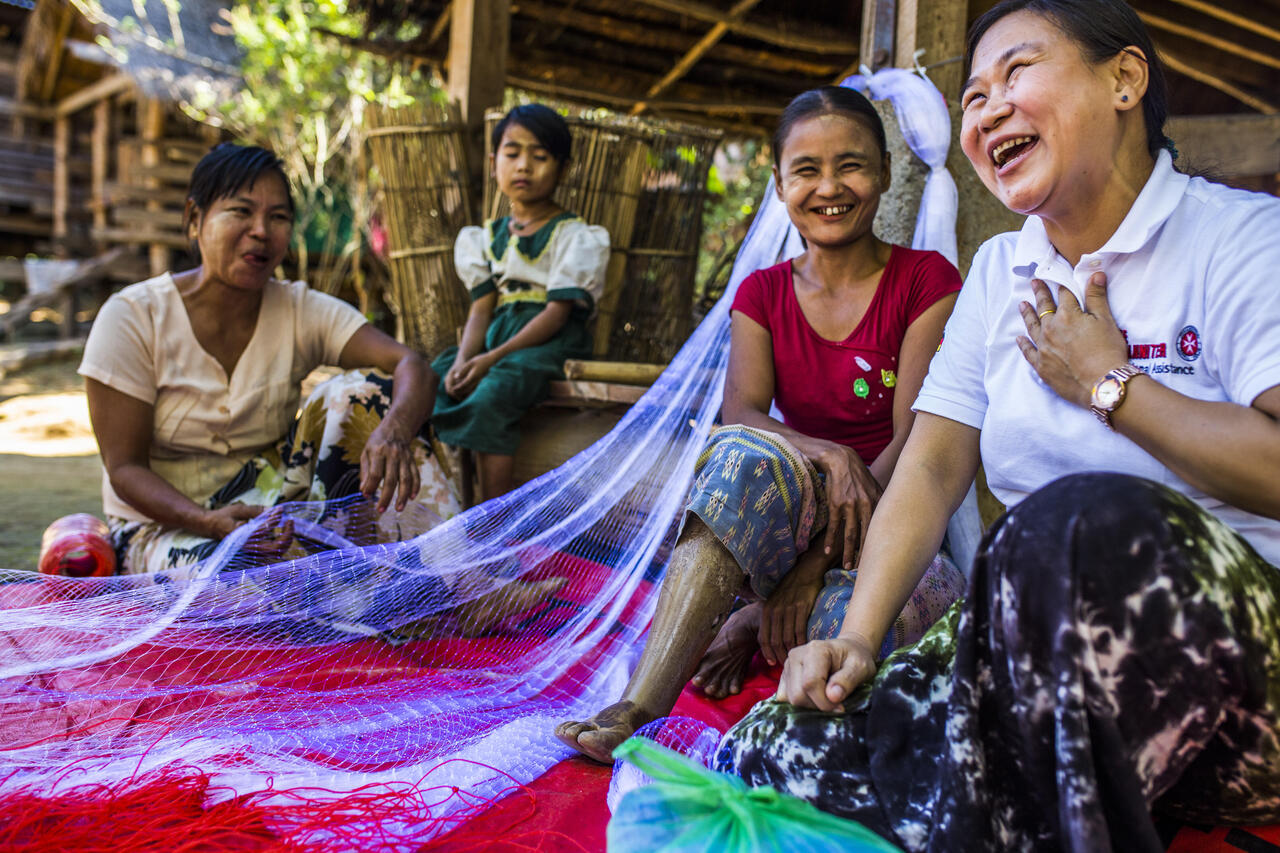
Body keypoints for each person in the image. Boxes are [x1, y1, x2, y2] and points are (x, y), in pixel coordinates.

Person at [717, 2, 1280, 850]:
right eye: (974, 94)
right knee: (770, 749)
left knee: (1066, 523)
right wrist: (858, 638)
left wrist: (1109, 383)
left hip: (1239, 684)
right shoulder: (999, 269)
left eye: (1018, 73)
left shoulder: (1241, 239)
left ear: (1125, 79)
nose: (986, 110)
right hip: (1038, 658)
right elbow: (933, 467)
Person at [556, 86, 967, 764]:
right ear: (779, 183)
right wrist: (832, 456)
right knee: (743, 452)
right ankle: (643, 702)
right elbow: (740, 413)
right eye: (806, 169)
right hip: (800, 517)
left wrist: (809, 569)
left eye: (851, 165)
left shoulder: (926, 281)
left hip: (898, 535)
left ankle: (750, 619)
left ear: (887, 174)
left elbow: (919, 442)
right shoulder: (765, 292)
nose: (829, 186)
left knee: (850, 636)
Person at [80, 143, 462, 575]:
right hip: (166, 526)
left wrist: (392, 432)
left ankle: (462, 580)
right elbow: (124, 468)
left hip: (274, 513)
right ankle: (371, 584)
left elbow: (413, 366)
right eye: (241, 211)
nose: (261, 230)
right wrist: (205, 522)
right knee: (251, 584)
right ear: (193, 219)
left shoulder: (300, 309)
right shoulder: (132, 317)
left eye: (278, 217)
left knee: (360, 395)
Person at [431, 104, 610, 501]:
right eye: (512, 154)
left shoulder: (575, 236)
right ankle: (449, 506)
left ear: (563, 169)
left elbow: (557, 312)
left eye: (540, 156)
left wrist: (490, 360)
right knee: (437, 378)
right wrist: (465, 359)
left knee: (494, 390)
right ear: (494, 162)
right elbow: (482, 308)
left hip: (549, 340)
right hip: (498, 334)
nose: (524, 166)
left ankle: (494, 520)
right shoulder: (483, 236)